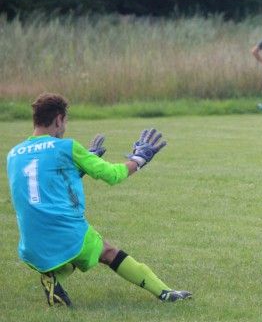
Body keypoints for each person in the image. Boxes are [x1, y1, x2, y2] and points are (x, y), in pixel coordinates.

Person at [6, 93, 192, 307]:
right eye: (65, 122)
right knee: (108, 252)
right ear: (58, 119)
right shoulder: (66, 147)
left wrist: (79, 165)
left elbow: (44, 182)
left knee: (68, 258)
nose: (64, 127)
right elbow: (112, 175)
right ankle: (165, 292)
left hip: (31, 245)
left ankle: (52, 276)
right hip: (65, 232)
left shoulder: (14, 154)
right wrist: (139, 159)